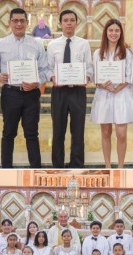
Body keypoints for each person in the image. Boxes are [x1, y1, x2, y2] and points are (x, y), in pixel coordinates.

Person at [0, 8, 49, 168]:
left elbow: (45, 70)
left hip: (31, 95)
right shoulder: (1, 44)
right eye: (15, 20)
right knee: (8, 133)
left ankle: (36, 168)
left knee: (31, 134)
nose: (19, 24)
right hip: (10, 93)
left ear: (27, 23)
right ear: (9, 23)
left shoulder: (36, 45)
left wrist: (36, 83)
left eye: (22, 20)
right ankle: (6, 169)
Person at [47, 9, 93, 168]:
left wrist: (85, 78)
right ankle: (57, 165)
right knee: (58, 131)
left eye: (72, 20)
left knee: (78, 131)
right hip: (59, 91)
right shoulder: (52, 45)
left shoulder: (84, 44)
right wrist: (53, 78)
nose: (68, 23)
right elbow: (48, 68)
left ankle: (77, 165)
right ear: (60, 23)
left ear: (76, 23)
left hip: (78, 91)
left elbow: (89, 67)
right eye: (65, 20)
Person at [90, 18, 133, 168]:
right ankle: (108, 165)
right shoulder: (98, 53)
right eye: (111, 30)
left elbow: (130, 75)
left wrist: (118, 88)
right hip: (104, 95)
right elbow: (94, 75)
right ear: (106, 32)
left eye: (117, 30)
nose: (114, 33)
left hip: (121, 95)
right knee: (106, 132)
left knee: (121, 134)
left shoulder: (127, 52)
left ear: (121, 33)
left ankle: (120, 166)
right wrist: (100, 83)